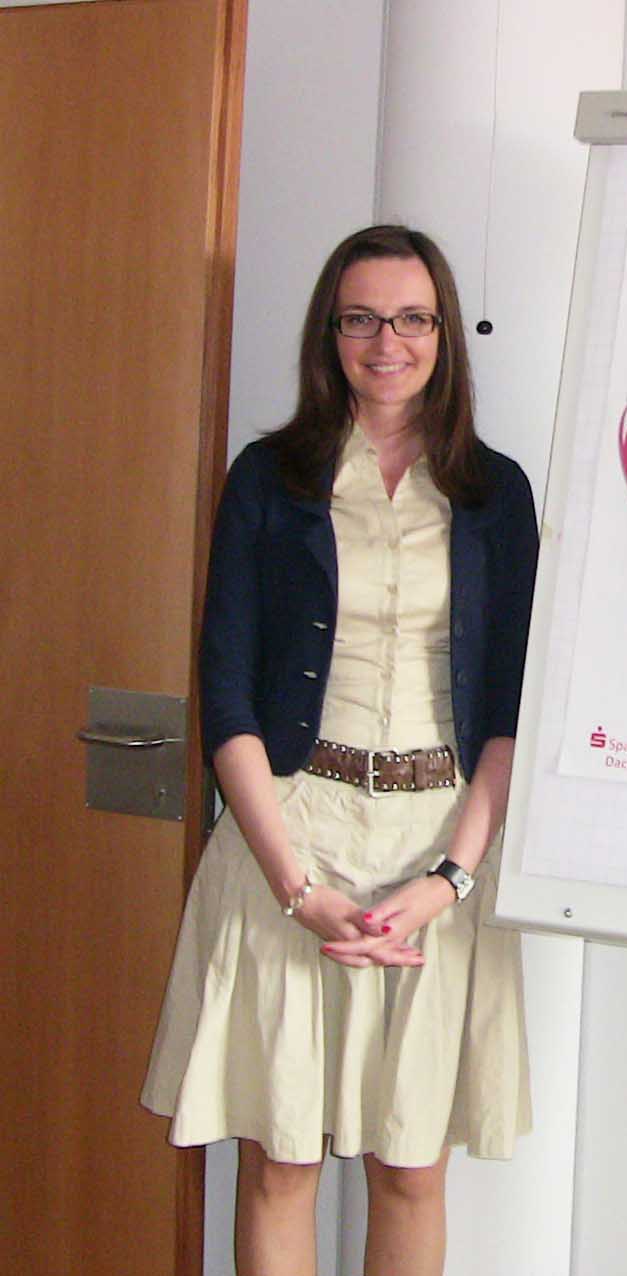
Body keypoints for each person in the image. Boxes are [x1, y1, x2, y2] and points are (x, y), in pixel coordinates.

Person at [142, 225, 538, 1276]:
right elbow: (227, 695)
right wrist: (296, 887)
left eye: (411, 318)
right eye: (361, 318)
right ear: (330, 332)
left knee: (410, 1167)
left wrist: (449, 879)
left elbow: (511, 707)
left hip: (437, 846)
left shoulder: (496, 494)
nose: (386, 342)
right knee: (281, 1162)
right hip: (294, 831)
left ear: (443, 333)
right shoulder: (269, 479)